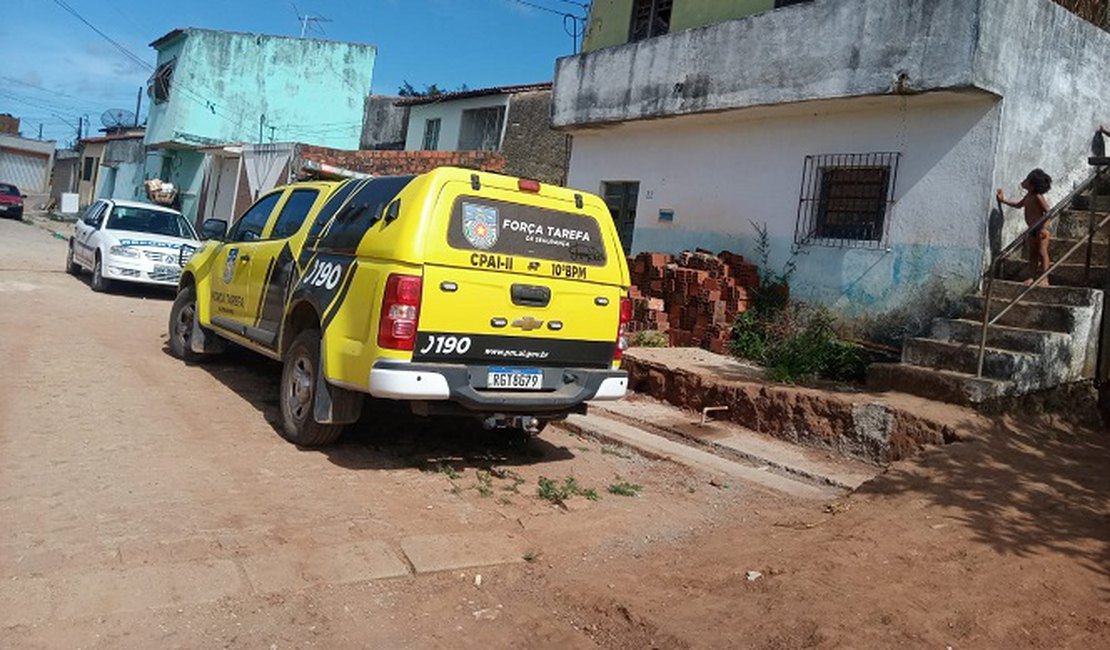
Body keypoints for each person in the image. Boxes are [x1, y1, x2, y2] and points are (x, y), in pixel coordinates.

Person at [997, 168, 1053, 286]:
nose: (1024, 181)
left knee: (1042, 253)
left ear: (1032, 185)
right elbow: (1018, 205)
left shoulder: (1037, 196)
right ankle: (1031, 277)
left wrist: (1043, 228)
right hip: (1032, 230)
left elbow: (1048, 212)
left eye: (1027, 180)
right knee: (1033, 254)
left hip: (1040, 230)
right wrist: (1003, 200)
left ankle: (1045, 278)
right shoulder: (1028, 195)